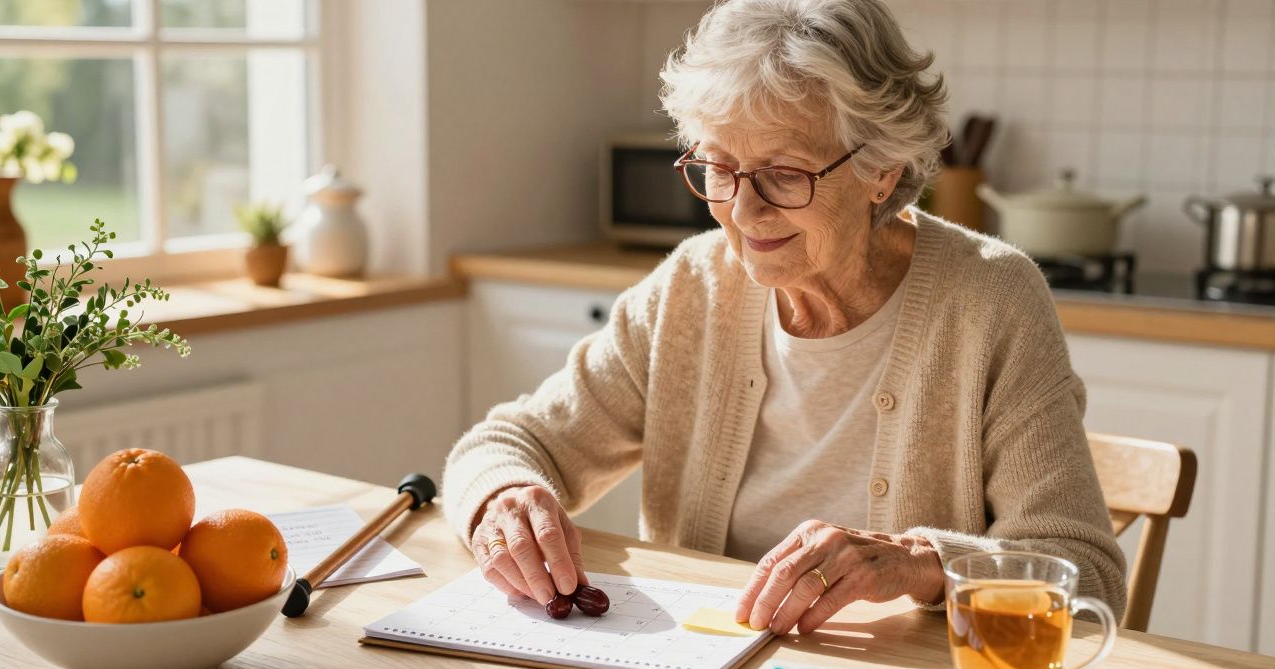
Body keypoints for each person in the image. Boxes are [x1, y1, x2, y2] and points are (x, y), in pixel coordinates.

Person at [442, 0, 1126, 635]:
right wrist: (506, 499)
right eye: (718, 167)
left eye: (786, 174)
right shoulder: (692, 286)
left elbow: (1085, 576)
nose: (743, 211)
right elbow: (506, 444)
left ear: (883, 169)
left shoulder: (991, 299)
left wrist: (919, 563)